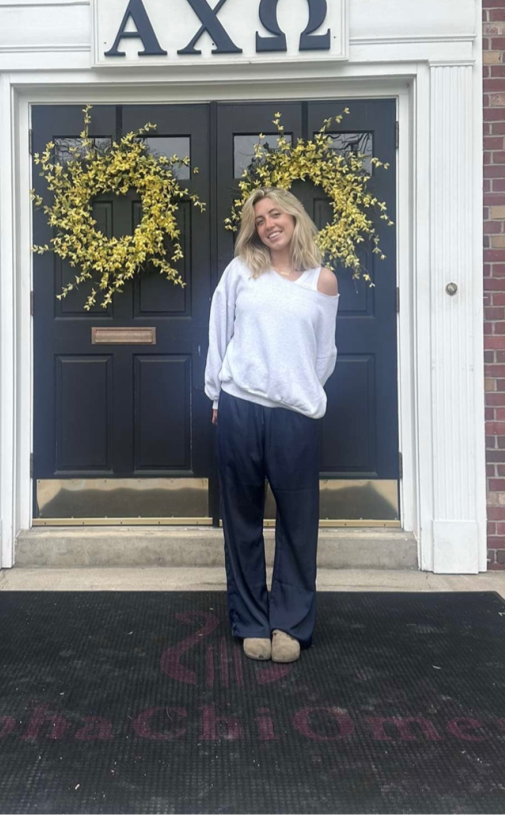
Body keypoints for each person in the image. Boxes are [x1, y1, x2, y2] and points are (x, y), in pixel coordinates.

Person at [204, 187, 339, 664]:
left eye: (275, 214)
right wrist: (217, 393)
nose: (268, 224)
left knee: (298, 524)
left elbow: (324, 355)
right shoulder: (242, 271)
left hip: (295, 417)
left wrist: (300, 390)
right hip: (240, 407)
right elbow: (219, 332)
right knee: (241, 519)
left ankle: (291, 623)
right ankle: (251, 622)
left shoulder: (322, 283)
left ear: (295, 219)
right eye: (259, 219)